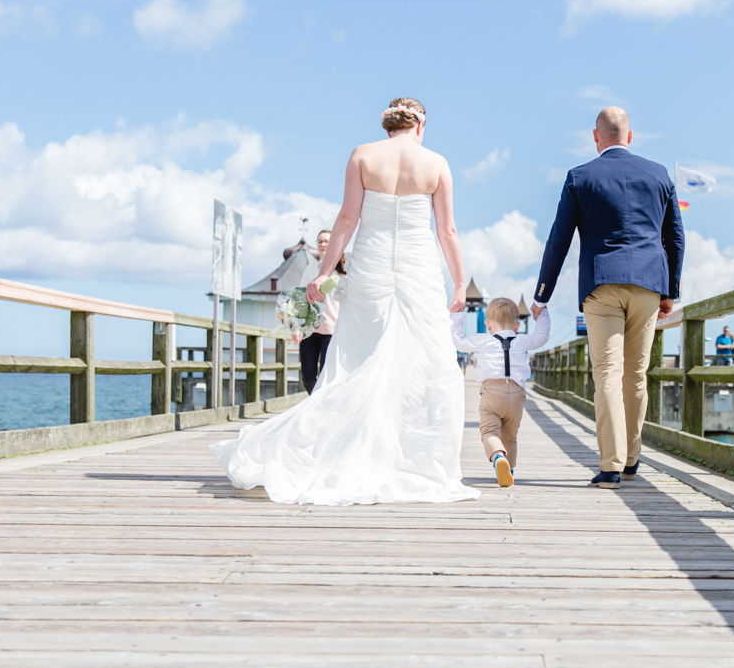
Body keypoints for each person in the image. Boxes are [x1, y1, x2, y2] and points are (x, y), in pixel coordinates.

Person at [211, 98, 479, 506]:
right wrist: (460, 283)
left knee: (359, 360)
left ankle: (342, 452)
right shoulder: (437, 163)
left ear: (388, 125)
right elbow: (448, 230)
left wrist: (324, 270)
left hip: (370, 266)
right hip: (418, 268)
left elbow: (347, 219)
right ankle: (415, 462)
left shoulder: (362, 155)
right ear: (421, 126)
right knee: (426, 363)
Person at [531, 106, 685, 487]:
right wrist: (671, 293)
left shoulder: (580, 176)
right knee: (636, 375)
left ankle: (611, 465)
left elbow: (559, 239)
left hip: (602, 285)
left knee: (608, 375)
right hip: (650, 283)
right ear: (630, 136)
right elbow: (675, 238)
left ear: (595, 137)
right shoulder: (659, 174)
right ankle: (632, 459)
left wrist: (542, 294)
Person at [451, 297, 551, 487]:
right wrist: (543, 312)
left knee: (489, 432)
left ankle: (498, 458)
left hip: (491, 394)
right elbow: (542, 336)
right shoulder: (522, 340)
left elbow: (459, 342)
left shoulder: (482, 340)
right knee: (510, 437)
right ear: (517, 324)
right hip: (516, 394)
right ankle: (509, 471)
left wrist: (457, 315)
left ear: (488, 325)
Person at [299, 229, 345, 394]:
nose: (323, 244)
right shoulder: (310, 270)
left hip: (332, 331)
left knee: (326, 376)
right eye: (320, 241)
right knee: (308, 377)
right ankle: (314, 403)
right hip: (310, 330)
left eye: (326, 241)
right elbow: (301, 297)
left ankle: (320, 410)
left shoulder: (342, 271)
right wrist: (296, 326)